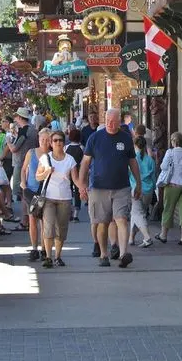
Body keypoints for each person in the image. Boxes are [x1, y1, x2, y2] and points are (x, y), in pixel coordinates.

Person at [79, 108, 142, 268]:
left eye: (114, 122)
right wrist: (82, 184)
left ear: (119, 121)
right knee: (102, 223)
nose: (110, 124)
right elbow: (85, 162)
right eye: (108, 121)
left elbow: (132, 162)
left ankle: (123, 254)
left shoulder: (126, 138)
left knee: (122, 219)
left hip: (121, 187)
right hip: (99, 188)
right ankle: (103, 254)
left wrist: (138, 183)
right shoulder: (95, 138)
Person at [35, 130, 86, 268]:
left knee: (61, 229)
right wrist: (46, 171)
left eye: (60, 140)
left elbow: (75, 179)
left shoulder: (70, 160)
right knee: (48, 227)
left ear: (64, 143)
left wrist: (82, 189)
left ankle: (57, 256)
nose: (58, 143)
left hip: (65, 198)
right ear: (51, 143)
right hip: (49, 198)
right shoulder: (45, 158)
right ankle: (48, 257)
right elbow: (37, 177)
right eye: (55, 140)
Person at [155, 132, 182, 246]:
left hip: (173, 184)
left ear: (173, 141)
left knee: (168, 208)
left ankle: (163, 235)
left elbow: (163, 166)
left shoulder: (170, 152)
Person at [21, 128, 52, 261]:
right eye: (42, 139)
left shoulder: (52, 155)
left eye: (47, 139)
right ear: (38, 139)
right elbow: (23, 169)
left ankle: (44, 248)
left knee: (45, 221)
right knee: (32, 220)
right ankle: (34, 248)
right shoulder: (31, 152)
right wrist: (23, 184)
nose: (44, 142)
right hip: (31, 191)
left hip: (46, 191)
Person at [8, 107, 38, 229]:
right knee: (28, 191)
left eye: (16, 116)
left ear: (20, 117)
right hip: (32, 162)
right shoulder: (33, 129)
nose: (15, 119)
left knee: (22, 192)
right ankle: (28, 219)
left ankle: (25, 221)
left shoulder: (24, 130)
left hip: (21, 163)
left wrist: (8, 141)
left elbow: (14, 149)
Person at [129, 136, 155, 248]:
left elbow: (128, 174)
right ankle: (131, 238)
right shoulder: (150, 160)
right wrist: (154, 188)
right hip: (148, 190)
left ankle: (147, 237)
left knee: (137, 214)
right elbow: (153, 177)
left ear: (134, 145)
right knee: (138, 214)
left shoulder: (132, 159)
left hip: (136, 189)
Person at [64, 127, 84, 222]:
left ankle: (69, 211)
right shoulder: (82, 148)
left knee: (68, 191)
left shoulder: (66, 147)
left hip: (67, 172)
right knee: (77, 192)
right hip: (78, 172)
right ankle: (76, 214)